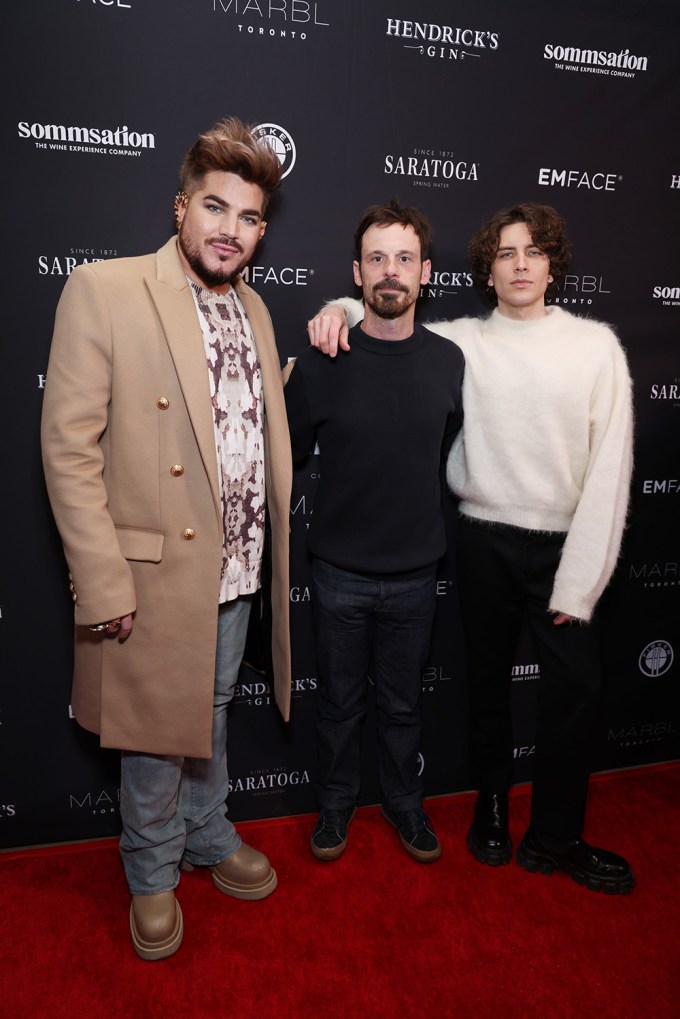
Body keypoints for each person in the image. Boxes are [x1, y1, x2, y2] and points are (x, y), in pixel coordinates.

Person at [307, 202, 635, 894]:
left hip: (563, 546)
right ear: (487, 268)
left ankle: (557, 834)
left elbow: (611, 470)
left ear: (553, 265)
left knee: (573, 695)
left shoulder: (594, 345)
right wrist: (336, 307)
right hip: (481, 538)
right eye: (506, 252)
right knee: (484, 693)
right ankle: (489, 810)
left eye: (533, 251)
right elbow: (385, 315)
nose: (520, 263)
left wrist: (580, 581)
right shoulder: (464, 342)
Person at [41, 117, 293, 960]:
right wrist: (103, 581)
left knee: (211, 712)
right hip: (151, 571)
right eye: (214, 207)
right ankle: (150, 867)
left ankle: (207, 830)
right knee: (155, 729)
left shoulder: (255, 305)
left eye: (249, 217)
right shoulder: (105, 289)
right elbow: (69, 448)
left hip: (237, 566)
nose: (230, 229)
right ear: (179, 206)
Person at [284, 200, 464, 864]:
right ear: (356, 273)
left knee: (402, 704)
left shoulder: (452, 361)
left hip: (418, 573)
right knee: (337, 705)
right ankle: (334, 807)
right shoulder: (322, 361)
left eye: (405, 258)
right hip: (337, 574)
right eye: (378, 258)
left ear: (426, 274)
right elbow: (285, 454)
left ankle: (404, 804)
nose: (392, 271)